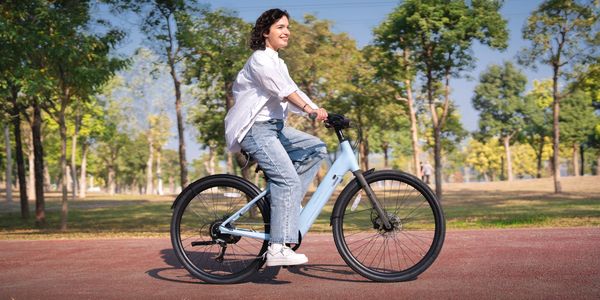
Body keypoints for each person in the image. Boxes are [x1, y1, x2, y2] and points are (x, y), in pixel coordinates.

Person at [224, 8, 328, 267]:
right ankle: (277, 248)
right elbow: (283, 91)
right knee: (288, 181)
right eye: (280, 27)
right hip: (255, 129)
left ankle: (285, 205)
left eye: (288, 27)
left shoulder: (278, 62)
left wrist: (322, 111)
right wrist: (309, 110)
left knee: (316, 148)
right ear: (265, 32)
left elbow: (294, 90)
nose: (287, 31)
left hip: (275, 129)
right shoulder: (260, 60)